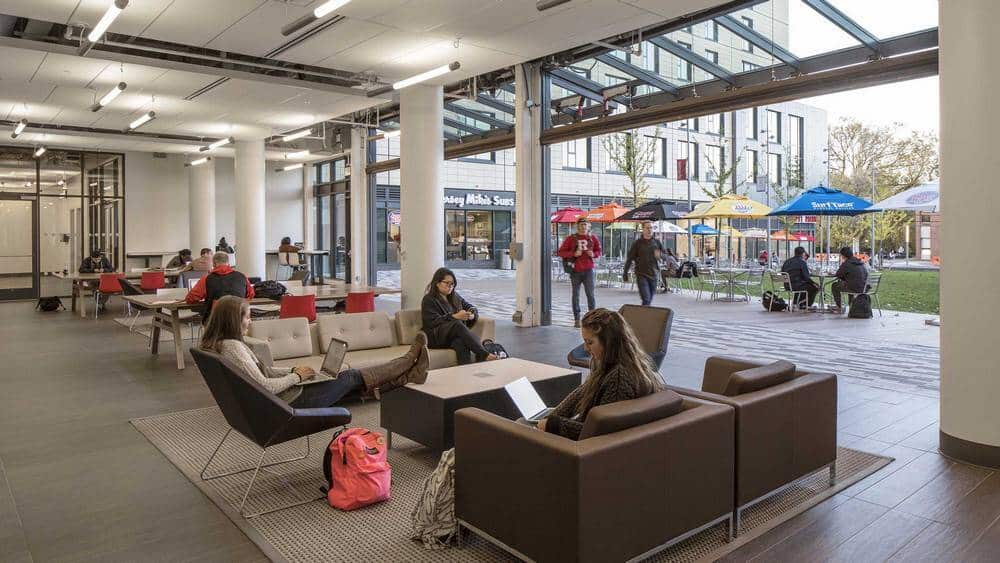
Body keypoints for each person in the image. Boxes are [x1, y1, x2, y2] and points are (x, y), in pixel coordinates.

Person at [201, 296, 429, 407]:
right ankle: (409, 360)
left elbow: (266, 372)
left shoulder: (223, 345)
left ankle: (408, 374)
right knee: (350, 376)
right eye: (247, 317)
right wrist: (297, 377)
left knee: (350, 383)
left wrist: (293, 370)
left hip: (283, 399)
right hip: (288, 404)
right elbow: (265, 385)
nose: (249, 323)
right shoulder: (234, 349)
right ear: (232, 320)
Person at [534, 308, 661, 441]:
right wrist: (549, 418)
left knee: (520, 428)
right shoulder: (612, 366)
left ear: (609, 342)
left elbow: (601, 433)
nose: (585, 348)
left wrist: (553, 425)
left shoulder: (619, 378)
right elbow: (581, 393)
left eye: (590, 342)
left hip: (589, 452)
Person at [421, 268, 498, 365]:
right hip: (434, 337)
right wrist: (455, 316)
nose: (450, 286)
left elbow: (471, 307)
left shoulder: (454, 296)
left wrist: (471, 315)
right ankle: (484, 354)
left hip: (450, 337)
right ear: (437, 283)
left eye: (452, 284)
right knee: (457, 325)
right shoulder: (429, 299)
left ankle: (465, 372)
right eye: (447, 283)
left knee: (460, 343)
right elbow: (432, 322)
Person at [557, 217, 602, 328]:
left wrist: (594, 254)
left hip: (588, 270)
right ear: (577, 226)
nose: (583, 227)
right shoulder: (571, 238)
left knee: (590, 295)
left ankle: (593, 318)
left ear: (589, 226)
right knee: (575, 295)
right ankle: (577, 319)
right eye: (581, 225)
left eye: (585, 225)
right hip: (575, 271)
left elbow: (599, 251)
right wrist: (573, 253)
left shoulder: (593, 238)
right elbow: (560, 252)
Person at [185, 252, 255, 321]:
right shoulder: (242, 277)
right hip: (238, 319)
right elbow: (251, 294)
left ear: (214, 264)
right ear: (228, 264)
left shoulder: (206, 279)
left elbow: (190, 298)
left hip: (215, 321)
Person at [623, 221, 665, 306]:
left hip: (653, 274)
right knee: (646, 299)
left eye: (651, 228)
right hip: (641, 274)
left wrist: (660, 255)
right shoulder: (637, 243)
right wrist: (625, 273)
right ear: (643, 229)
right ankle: (644, 317)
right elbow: (630, 258)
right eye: (647, 228)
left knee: (649, 299)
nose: (650, 230)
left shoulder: (656, 242)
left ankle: (643, 314)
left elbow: (665, 256)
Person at [831, 246, 869, 313]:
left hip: (855, 288)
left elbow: (838, 274)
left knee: (835, 286)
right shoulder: (860, 262)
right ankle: (851, 306)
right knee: (849, 284)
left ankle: (839, 307)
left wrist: (843, 278)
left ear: (843, 255)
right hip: (864, 287)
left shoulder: (846, 263)